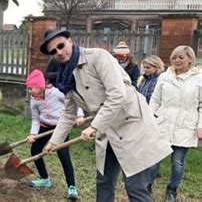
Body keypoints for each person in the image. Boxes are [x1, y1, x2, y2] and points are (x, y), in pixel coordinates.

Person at [41, 29, 172, 202]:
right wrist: (55, 141)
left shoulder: (97, 57)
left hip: (130, 125)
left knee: (135, 186)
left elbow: (118, 95)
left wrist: (94, 126)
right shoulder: (66, 76)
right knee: (104, 181)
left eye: (60, 46)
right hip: (107, 129)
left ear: (70, 41)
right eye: (53, 51)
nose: (58, 52)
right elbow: (68, 113)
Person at [148, 46, 201, 201]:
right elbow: (155, 100)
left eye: (181, 57)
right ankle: (147, 186)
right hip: (163, 122)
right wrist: (151, 119)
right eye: (174, 57)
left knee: (178, 162)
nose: (177, 60)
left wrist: (200, 126)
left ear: (190, 59)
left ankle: (172, 189)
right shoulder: (165, 76)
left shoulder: (198, 78)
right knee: (154, 159)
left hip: (185, 124)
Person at [25, 69, 84, 200]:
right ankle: (45, 179)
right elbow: (35, 119)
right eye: (29, 88)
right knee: (35, 150)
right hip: (45, 126)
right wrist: (33, 134)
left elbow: (73, 101)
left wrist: (79, 115)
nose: (30, 91)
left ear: (40, 86)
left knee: (63, 154)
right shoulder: (34, 100)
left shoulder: (56, 93)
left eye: (32, 88)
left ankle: (72, 187)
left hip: (60, 126)